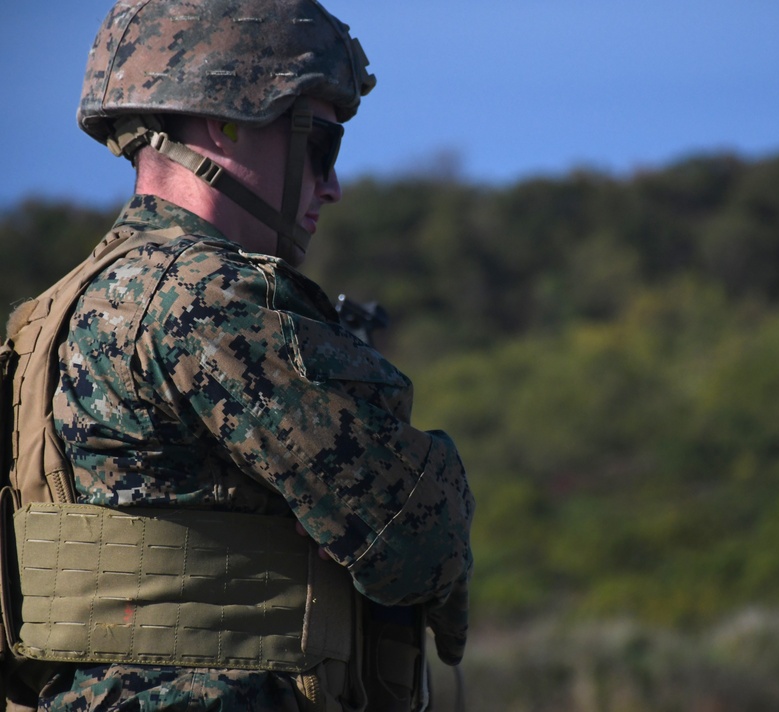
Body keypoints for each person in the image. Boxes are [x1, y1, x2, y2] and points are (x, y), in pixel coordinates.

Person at [0, 1, 474, 710]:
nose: (331, 185)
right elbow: (413, 538)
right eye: (321, 144)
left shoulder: (43, 319)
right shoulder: (213, 301)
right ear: (227, 123)